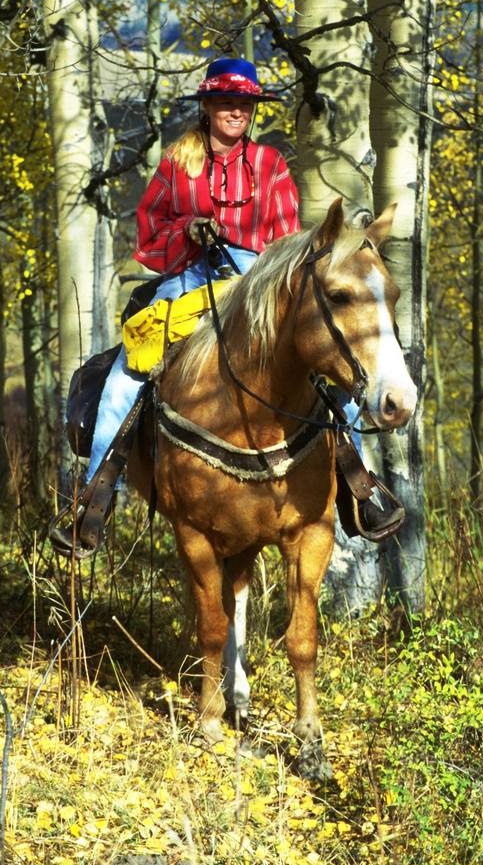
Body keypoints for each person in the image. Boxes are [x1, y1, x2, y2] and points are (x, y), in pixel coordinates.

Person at [50, 57, 301, 556]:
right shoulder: (176, 161)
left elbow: (289, 239)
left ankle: (362, 485)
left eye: (246, 104)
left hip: (255, 284)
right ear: (207, 107)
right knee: (128, 372)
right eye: (227, 102)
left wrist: (265, 272)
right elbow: (147, 234)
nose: (237, 112)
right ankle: (94, 498)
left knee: (325, 369)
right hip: (186, 280)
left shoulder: (271, 165)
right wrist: (185, 231)